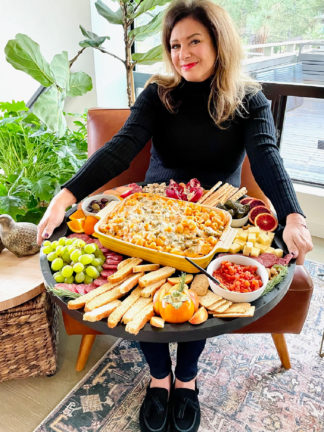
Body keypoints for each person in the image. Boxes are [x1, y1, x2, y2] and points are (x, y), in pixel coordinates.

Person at [37, 1, 313, 431]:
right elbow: (123, 145)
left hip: (214, 215)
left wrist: (294, 214)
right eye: (175, 44)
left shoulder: (248, 99)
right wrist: (66, 193)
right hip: (149, 212)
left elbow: (265, 155)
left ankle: (186, 378)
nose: (183, 53)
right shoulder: (159, 92)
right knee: (144, 282)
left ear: (219, 42)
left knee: (199, 287)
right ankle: (159, 378)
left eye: (195, 41)